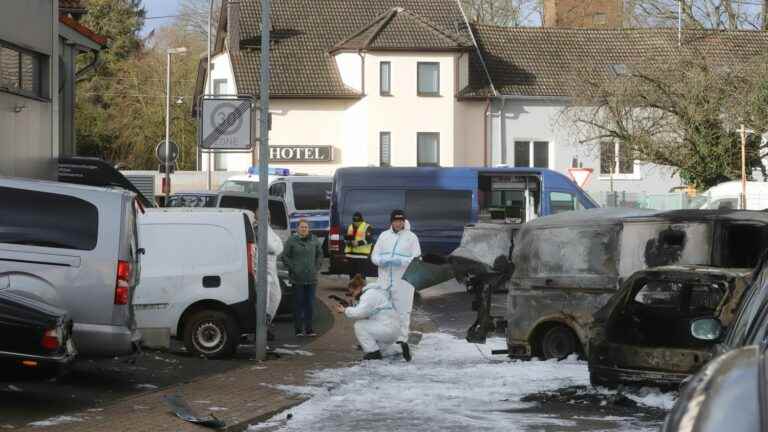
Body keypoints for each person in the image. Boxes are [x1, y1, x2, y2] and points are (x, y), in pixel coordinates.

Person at [370, 209, 421, 361]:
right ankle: (385, 342)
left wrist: (401, 261)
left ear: (404, 221)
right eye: (396, 220)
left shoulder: (411, 237)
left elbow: (417, 258)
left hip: (403, 282)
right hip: (385, 281)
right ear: (391, 221)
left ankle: (402, 341)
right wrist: (382, 261)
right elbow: (374, 256)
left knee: (403, 312)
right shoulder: (384, 236)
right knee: (383, 312)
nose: (398, 223)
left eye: (401, 221)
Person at [334, 274, 403, 361]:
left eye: (352, 293)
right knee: (383, 350)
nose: (353, 296)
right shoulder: (374, 292)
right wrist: (349, 307)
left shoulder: (368, 295)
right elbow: (365, 313)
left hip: (387, 328)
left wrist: (345, 310)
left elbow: (360, 313)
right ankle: (399, 348)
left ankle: (372, 353)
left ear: (358, 288)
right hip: (391, 328)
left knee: (359, 326)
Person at [282, 219, 324, 337]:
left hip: (311, 278)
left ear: (308, 229)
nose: (304, 229)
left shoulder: (314, 240)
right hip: (297, 278)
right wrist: (293, 267)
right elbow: (285, 256)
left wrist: (317, 266)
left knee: (310, 304)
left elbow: (320, 254)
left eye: (306, 227)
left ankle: (309, 329)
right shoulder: (291, 241)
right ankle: (298, 330)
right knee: (298, 304)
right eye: (301, 227)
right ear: (297, 229)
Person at [254, 214, 284, 341]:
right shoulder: (257, 229)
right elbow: (272, 246)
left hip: (272, 268)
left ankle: (267, 322)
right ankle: (259, 331)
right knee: (263, 300)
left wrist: (275, 248)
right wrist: (275, 247)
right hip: (262, 268)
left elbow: (280, 247)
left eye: (268, 215)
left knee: (276, 296)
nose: (266, 217)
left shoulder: (269, 229)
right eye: (263, 214)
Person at [344, 212, 373, 279]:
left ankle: (361, 289)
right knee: (352, 277)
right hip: (350, 255)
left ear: (361, 220)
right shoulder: (350, 226)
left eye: (358, 222)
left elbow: (369, 240)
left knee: (361, 277)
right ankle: (352, 289)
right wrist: (349, 242)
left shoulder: (367, 227)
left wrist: (358, 243)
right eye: (354, 221)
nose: (356, 223)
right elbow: (346, 238)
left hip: (362, 256)